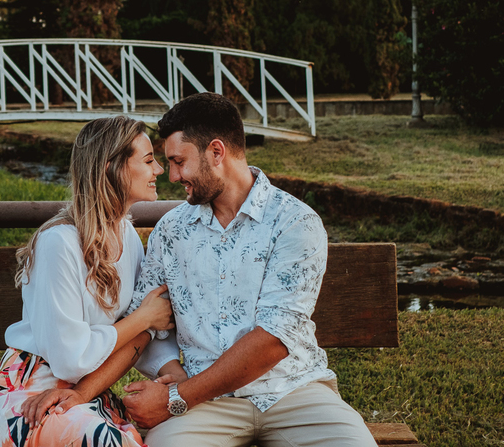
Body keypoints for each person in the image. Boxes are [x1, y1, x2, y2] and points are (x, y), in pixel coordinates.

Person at [119, 92, 378, 447]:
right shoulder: (171, 230)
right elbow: (145, 317)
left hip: (294, 391)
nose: (173, 175)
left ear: (216, 152)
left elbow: (273, 339)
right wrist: (173, 376)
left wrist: (179, 395)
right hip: (204, 403)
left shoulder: (294, 222)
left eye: (179, 161)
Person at [0, 115, 180, 447]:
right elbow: (70, 359)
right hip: (31, 390)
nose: (158, 170)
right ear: (110, 167)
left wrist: (172, 370)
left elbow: (147, 331)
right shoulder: (59, 243)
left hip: (90, 389)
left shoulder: (126, 235)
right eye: (148, 160)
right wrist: (142, 319)